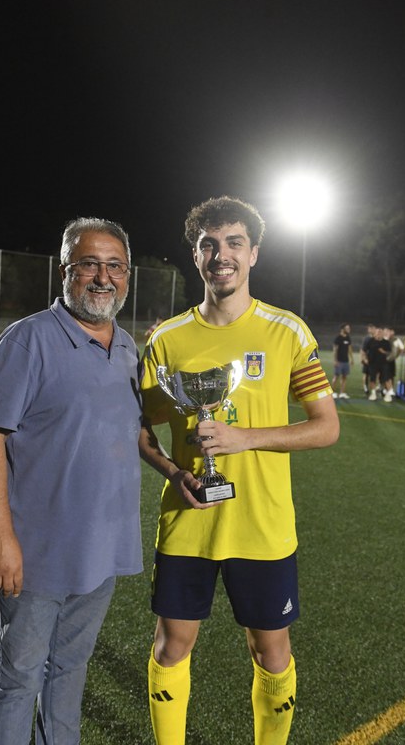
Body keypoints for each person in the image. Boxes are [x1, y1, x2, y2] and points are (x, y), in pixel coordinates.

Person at [138, 196, 340, 745]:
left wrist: (244, 438)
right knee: (170, 647)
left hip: (262, 526)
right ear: (195, 255)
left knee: (270, 653)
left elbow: (326, 427)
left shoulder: (287, 332)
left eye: (233, 243)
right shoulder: (166, 339)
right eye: (209, 245)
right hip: (188, 522)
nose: (220, 255)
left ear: (253, 253)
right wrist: (172, 473)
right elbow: (141, 427)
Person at [0, 217, 143, 744]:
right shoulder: (28, 340)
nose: (102, 277)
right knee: (18, 679)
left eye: (114, 266)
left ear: (127, 275)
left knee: (70, 671)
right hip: (34, 554)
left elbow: (133, 433)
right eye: (89, 264)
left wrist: (179, 472)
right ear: (65, 270)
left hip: (101, 552)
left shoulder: (128, 347)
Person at [366, 327, 393, 402]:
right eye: (377, 332)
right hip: (372, 363)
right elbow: (365, 350)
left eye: (380, 332)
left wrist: (383, 351)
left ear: (383, 334)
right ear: (375, 333)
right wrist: (365, 359)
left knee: (386, 379)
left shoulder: (386, 342)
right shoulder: (370, 341)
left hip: (383, 363)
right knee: (372, 379)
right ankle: (373, 393)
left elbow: (389, 352)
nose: (379, 334)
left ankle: (388, 394)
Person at [332, 322, 353, 399]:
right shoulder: (338, 338)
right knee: (336, 377)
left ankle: (342, 393)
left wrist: (352, 359)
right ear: (342, 329)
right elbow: (335, 350)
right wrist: (335, 360)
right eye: (347, 328)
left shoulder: (348, 338)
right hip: (339, 361)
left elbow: (349, 349)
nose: (349, 329)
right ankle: (332, 393)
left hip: (346, 361)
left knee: (344, 377)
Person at [360, 324, 376, 395]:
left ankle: (373, 388)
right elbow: (362, 350)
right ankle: (365, 387)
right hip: (367, 359)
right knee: (366, 374)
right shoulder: (366, 339)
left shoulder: (376, 338)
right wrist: (363, 359)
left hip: (374, 360)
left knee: (373, 375)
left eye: (372, 328)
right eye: (370, 329)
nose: (371, 330)